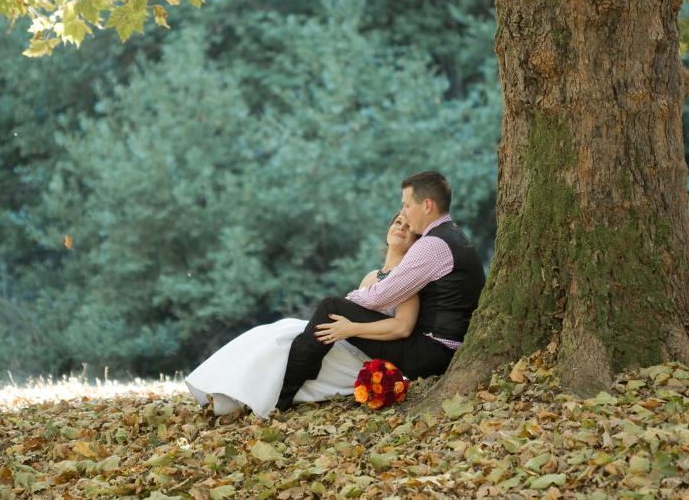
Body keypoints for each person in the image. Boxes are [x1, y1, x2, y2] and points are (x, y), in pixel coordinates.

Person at [276, 170, 485, 410]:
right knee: (330, 312)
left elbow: (381, 296)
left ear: (427, 205)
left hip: (431, 352)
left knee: (331, 307)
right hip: (443, 348)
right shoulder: (453, 236)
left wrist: (349, 302)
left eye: (406, 205)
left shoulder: (431, 246)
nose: (404, 212)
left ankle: (283, 396)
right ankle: (299, 375)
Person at [185, 214, 419, 418]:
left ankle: (278, 397)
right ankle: (228, 391)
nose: (401, 227)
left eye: (409, 227)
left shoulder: (407, 279)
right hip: (343, 337)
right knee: (277, 331)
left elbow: (403, 327)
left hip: (362, 351)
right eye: (398, 222)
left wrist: (351, 330)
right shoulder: (371, 276)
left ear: (416, 243)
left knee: (284, 340)